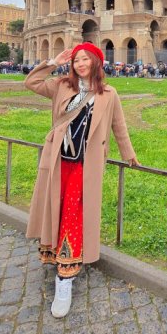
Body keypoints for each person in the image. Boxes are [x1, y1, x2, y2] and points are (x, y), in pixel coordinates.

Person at [24, 44, 140, 319]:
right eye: (76, 60)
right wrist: (53, 62)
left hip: (86, 164)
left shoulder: (108, 94)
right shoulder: (62, 86)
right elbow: (31, 82)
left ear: (97, 62)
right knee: (56, 207)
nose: (80, 63)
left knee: (74, 213)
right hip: (58, 158)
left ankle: (64, 278)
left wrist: (129, 154)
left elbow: (118, 126)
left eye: (85, 59)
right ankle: (53, 254)